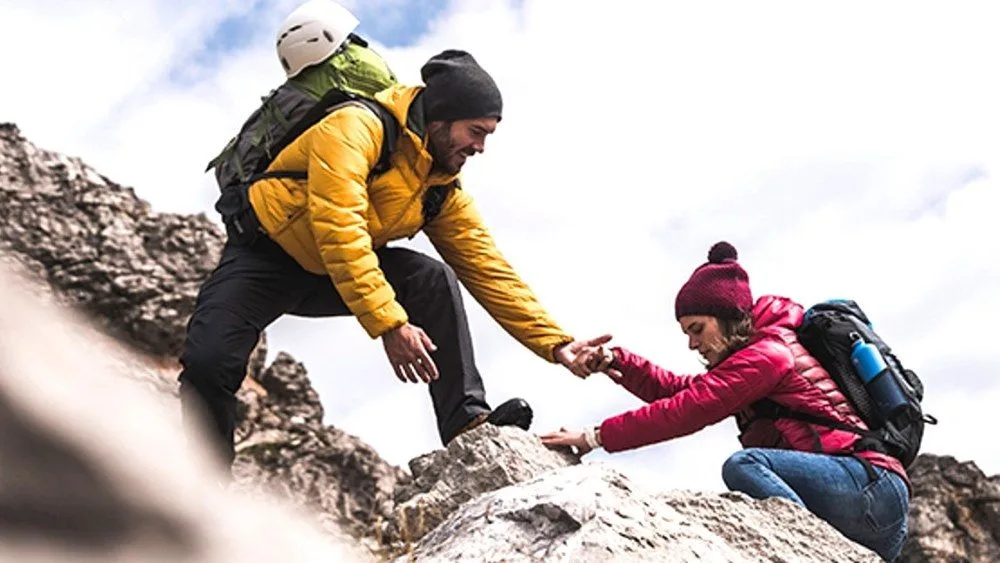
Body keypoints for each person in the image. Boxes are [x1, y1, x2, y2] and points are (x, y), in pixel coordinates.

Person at [179, 2, 605, 471]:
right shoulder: (355, 127)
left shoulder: (439, 187)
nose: (480, 147)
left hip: (335, 272)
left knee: (432, 278)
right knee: (208, 362)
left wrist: (557, 344)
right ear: (441, 116)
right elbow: (339, 225)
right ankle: (204, 485)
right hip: (265, 259)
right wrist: (390, 324)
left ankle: (466, 421)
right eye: (475, 131)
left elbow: (489, 269)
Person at [539, 242, 910, 561]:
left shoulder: (770, 354)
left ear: (728, 316)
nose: (692, 344)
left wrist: (594, 437)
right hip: (870, 506)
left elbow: (687, 410)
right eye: (686, 333)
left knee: (744, 466)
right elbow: (681, 392)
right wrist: (618, 361)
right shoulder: (754, 359)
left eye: (697, 329)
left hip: (869, 486)